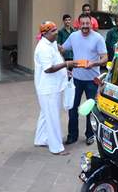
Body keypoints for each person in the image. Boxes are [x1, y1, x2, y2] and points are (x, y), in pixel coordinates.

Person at [62, 13, 107, 145]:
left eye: (88, 24)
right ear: (79, 24)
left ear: (91, 24)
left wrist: (94, 64)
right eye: (83, 24)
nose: (85, 26)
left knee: (90, 108)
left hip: (92, 80)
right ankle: (72, 135)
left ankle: (90, 134)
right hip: (76, 79)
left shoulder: (98, 38)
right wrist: (48, 42)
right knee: (72, 107)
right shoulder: (73, 36)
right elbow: (62, 49)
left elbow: (105, 58)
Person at [33, 21, 75, 156]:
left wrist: (65, 72)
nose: (56, 32)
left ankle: (40, 139)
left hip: (53, 86)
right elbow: (48, 68)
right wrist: (66, 64)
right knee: (52, 117)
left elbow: (55, 61)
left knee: (46, 114)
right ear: (45, 33)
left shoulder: (50, 44)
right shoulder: (43, 48)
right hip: (48, 89)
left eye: (56, 29)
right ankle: (57, 147)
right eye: (53, 31)